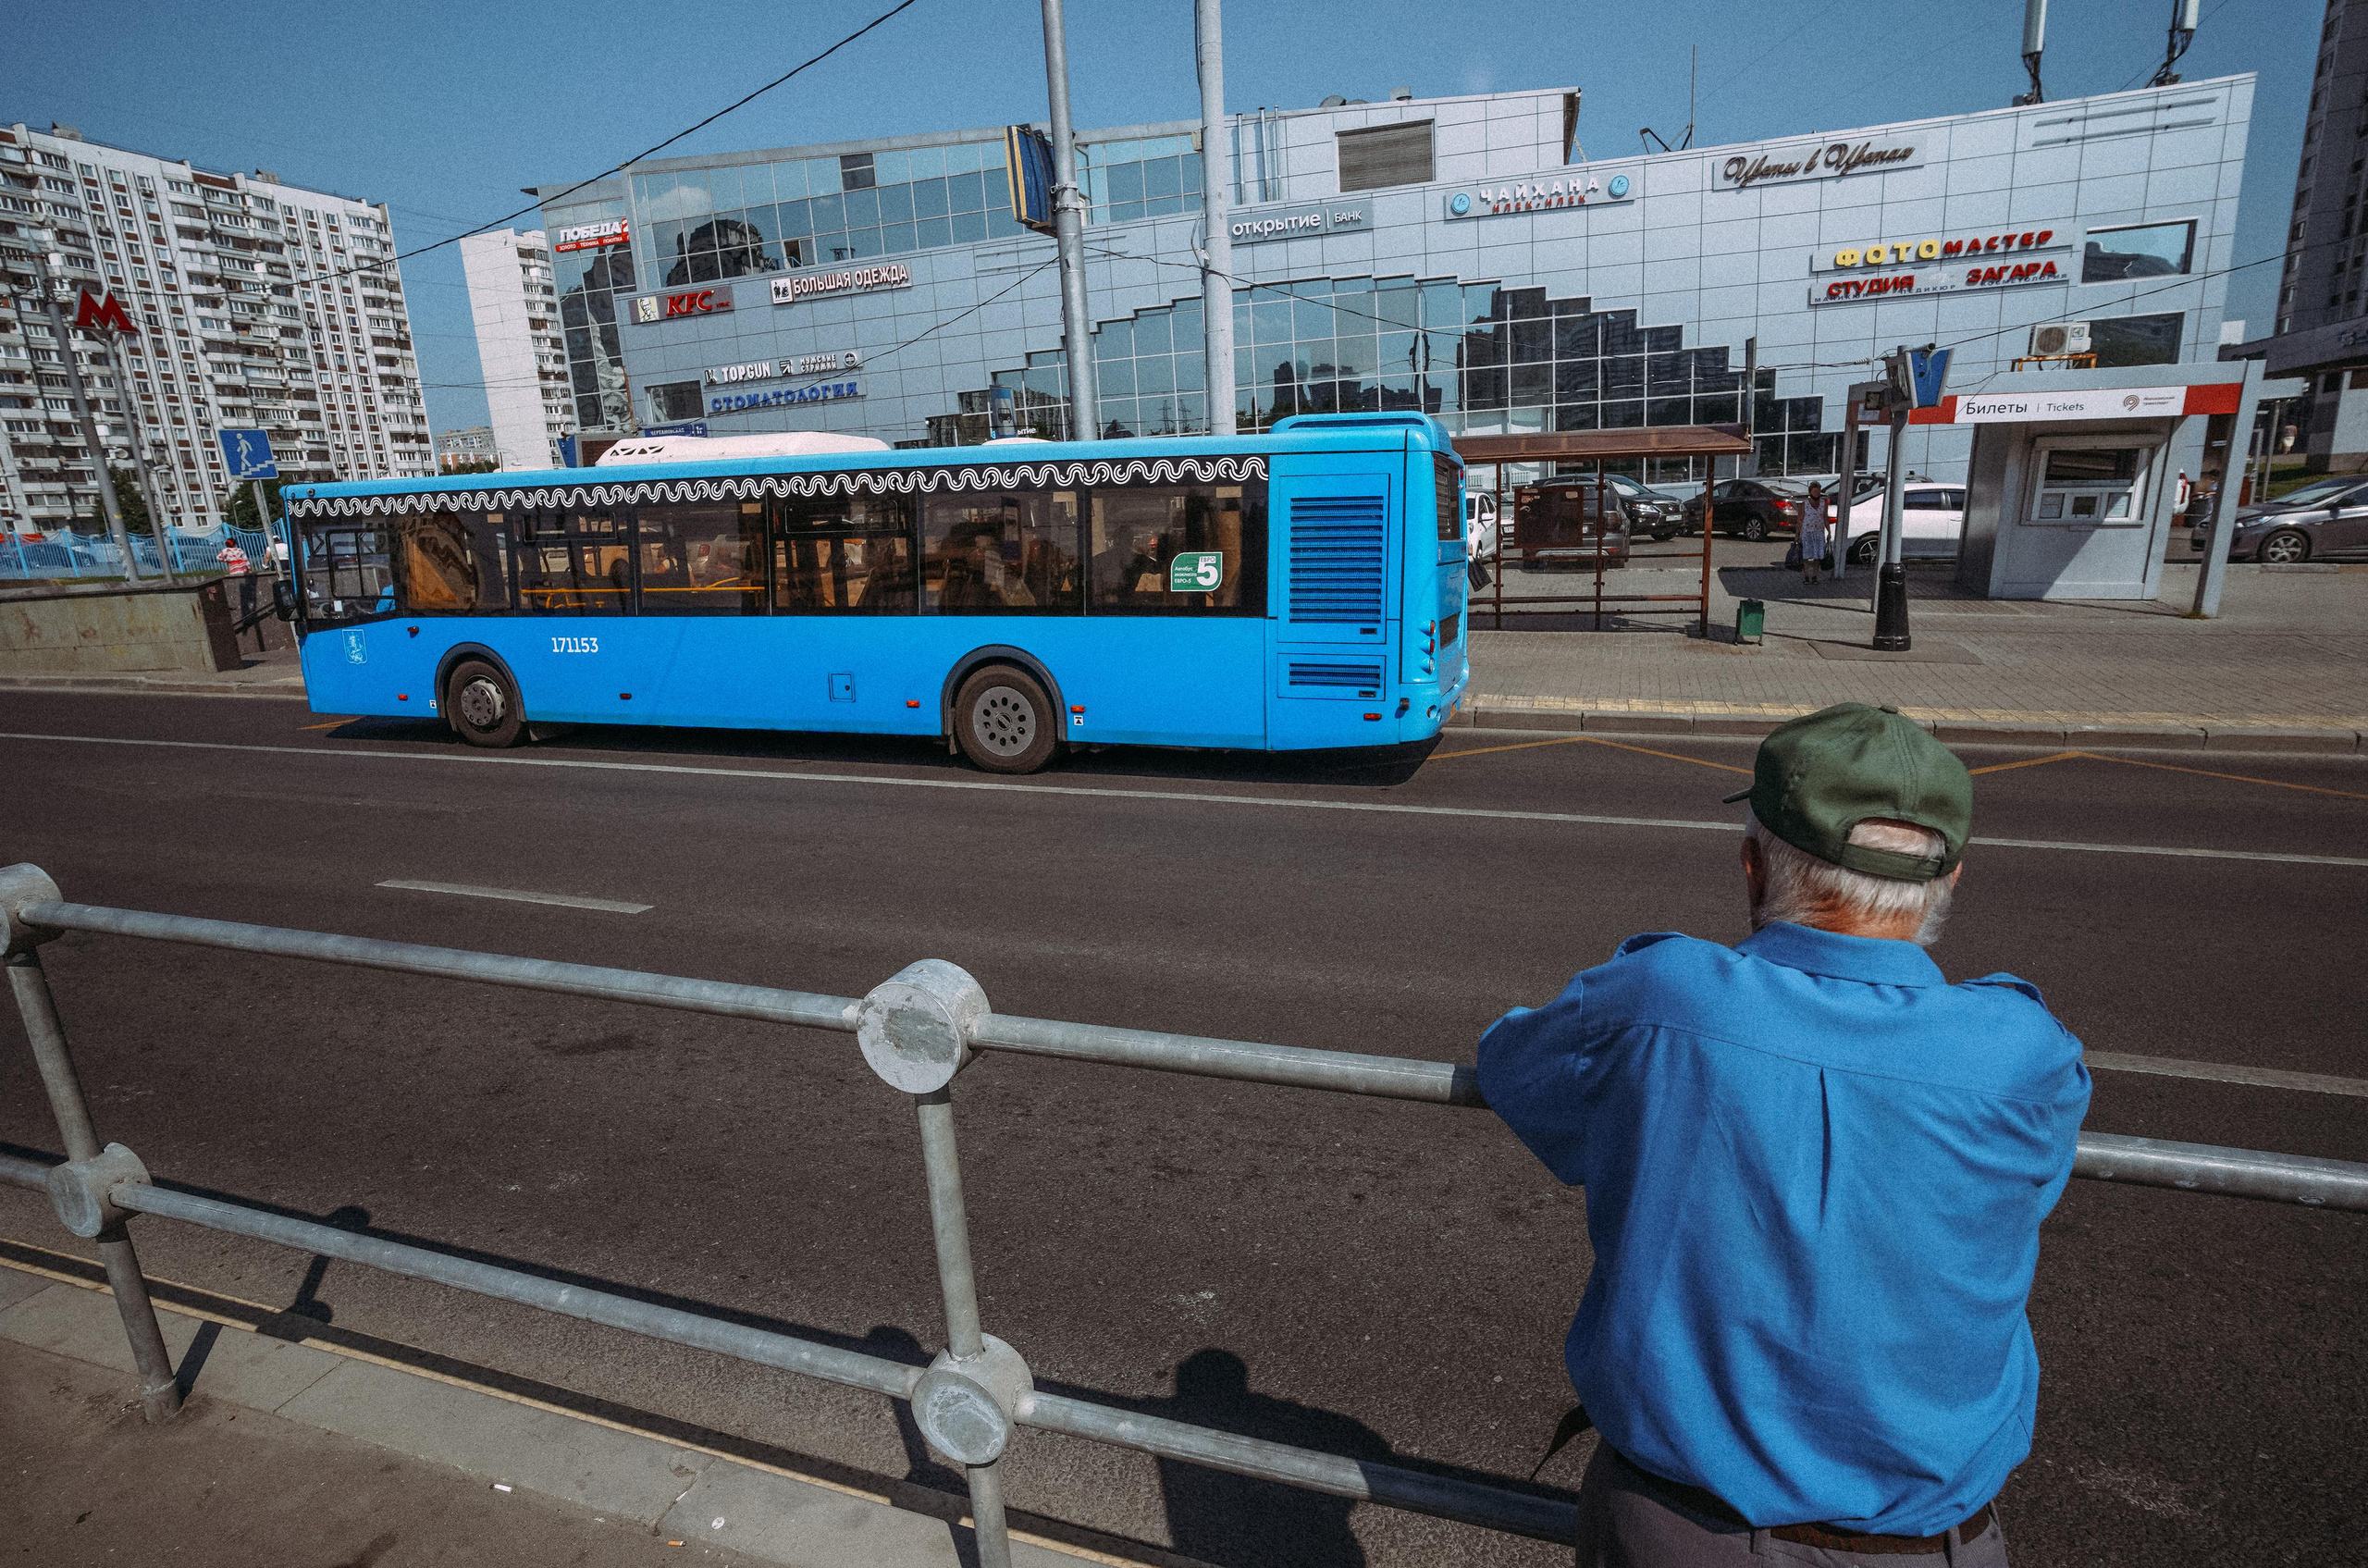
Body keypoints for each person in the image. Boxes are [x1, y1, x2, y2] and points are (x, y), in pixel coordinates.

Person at [1478, 703, 2090, 1566]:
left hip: (1685, 1533)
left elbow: (1514, 1069)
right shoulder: (2023, 1051)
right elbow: (2030, 1186)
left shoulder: (1662, 999)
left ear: (1752, 860)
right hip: (1937, 1546)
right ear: (1948, 880)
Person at [1798, 482, 1829, 585]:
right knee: (1806, 555)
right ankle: (1806, 575)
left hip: (1819, 532)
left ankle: (1815, 576)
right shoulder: (1805, 503)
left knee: (1817, 556)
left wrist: (1829, 531)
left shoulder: (1823, 503)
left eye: (1818, 490)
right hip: (1807, 532)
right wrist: (1797, 534)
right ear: (1810, 491)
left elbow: (1825, 517)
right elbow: (1800, 519)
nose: (1817, 492)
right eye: (1814, 490)